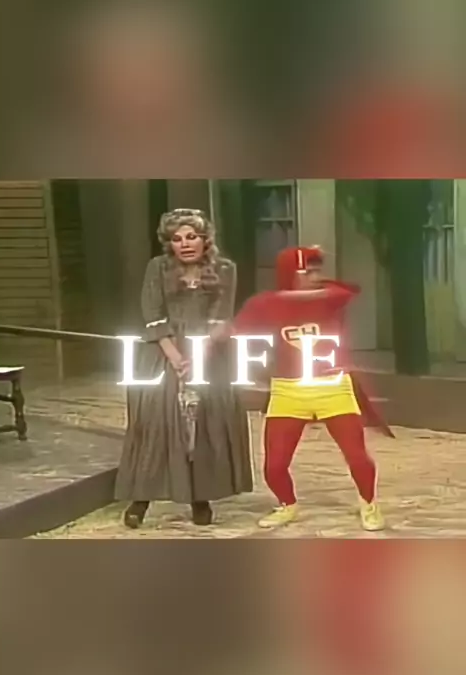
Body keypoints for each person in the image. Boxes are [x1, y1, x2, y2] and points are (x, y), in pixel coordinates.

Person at [222, 245, 392, 531]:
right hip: (288, 391)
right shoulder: (264, 304)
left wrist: (286, 296)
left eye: (317, 271)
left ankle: (369, 503)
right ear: (290, 273)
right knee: (274, 465)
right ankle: (287, 504)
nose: (315, 277)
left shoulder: (330, 297)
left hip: (333, 387)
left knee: (357, 456)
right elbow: (236, 329)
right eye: (307, 271)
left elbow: (349, 290)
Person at [115, 208, 253, 528]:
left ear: (205, 239)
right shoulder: (158, 267)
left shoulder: (225, 269)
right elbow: (152, 314)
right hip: (163, 352)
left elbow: (221, 317)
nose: (185, 244)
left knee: (202, 423)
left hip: (209, 352)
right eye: (177, 239)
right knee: (156, 423)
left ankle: (199, 497)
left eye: (192, 237)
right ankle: (141, 500)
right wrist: (175, 356)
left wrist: (199, 353)